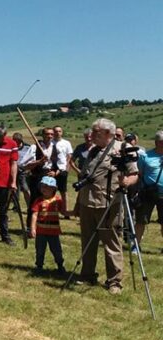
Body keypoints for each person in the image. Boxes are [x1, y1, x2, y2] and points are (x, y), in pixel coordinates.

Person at [74, 118, 138, 294]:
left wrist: (126, 182)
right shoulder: (93, 150)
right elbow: (85, 177)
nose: (92, 135)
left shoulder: (122, 148)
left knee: (111, 243)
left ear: (108, 133)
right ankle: (87, 275)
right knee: (88, 241)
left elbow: (134, 174)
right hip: (88, 202)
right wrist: (78, 203)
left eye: (96, 132)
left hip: (109, 204)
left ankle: (114, 281)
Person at [29, 176, 67, 274]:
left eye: (47, 187)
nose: (44, 189)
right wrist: (33, 228)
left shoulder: (57, 200)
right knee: (40, 250)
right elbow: (34, 215)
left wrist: (75, 212)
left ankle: (60, 265)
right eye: (42, 186)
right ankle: (39, 266)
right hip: (41, 231)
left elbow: (63, 212)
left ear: (53, 189)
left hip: (54, 232)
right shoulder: (38, 201)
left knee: (56, 250)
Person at [134, 130, 163, 248]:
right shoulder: (145, 156)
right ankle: (136, 245)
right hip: (148, 192)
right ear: (157, 142)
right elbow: (140, 173)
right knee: (141, 220)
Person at [24, 127, 57, 229]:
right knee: (35, 201)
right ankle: (30, 227)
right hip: (37, 176)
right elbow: (24, 165)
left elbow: (60, 164)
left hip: (49, 177)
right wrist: (39, 161)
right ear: (42, 135)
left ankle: (44, 225)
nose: (49, 136)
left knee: (48, 201)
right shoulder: (35, 147)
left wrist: (55, 172)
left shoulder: (55, 147)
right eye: (47, 134)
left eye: (51, 134)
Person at [52, 126, 73, 211]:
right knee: (51, 190)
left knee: (63, 191)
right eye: (56, 131)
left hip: (62, 169)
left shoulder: (66, 143)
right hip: (52, 169)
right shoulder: (50, 142)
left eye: (59, 131)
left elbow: (69, 156)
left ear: (62, 132)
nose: (58, 133)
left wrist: (66, 169)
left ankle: (65, 210)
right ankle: (52, 209)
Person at [13, 132, 35, 208]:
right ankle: (16, 206)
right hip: (14, 170)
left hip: (24, 171)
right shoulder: (12, 147)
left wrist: (29, 169)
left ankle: (30, 206)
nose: (16, 143)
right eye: (14, 141)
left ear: (21, 140)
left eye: (17, 141)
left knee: (25, 189)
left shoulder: (28, 147)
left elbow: (32, 158)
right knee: (14, 189)